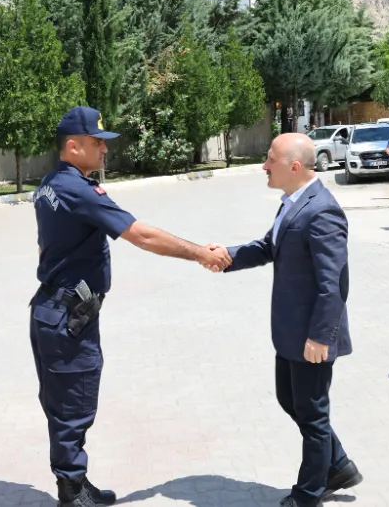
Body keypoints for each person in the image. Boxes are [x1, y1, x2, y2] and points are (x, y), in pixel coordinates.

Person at [30, 106, 231, 507]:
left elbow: (43, 245)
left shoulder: (51, 184)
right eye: (97, 143)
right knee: (74, 403)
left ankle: (74, 480)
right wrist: (199, 253)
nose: (105, 151)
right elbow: (142, 236)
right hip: (67, 316)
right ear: (73, 146)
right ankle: (71, 494)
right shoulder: (79, 191)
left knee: (65, 401)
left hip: (55, 308)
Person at [206, 133, 361, 507]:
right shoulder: (293, 203)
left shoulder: (322, 210)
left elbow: (333, 283)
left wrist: (321, 337)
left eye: (269, 159)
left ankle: (308, 495)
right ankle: (338, 465)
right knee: (291, 400)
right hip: (291, 332)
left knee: (312, 415)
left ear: (293, 166)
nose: (263, 166)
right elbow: (268, 247)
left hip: (312, 335)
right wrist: (225, 254)